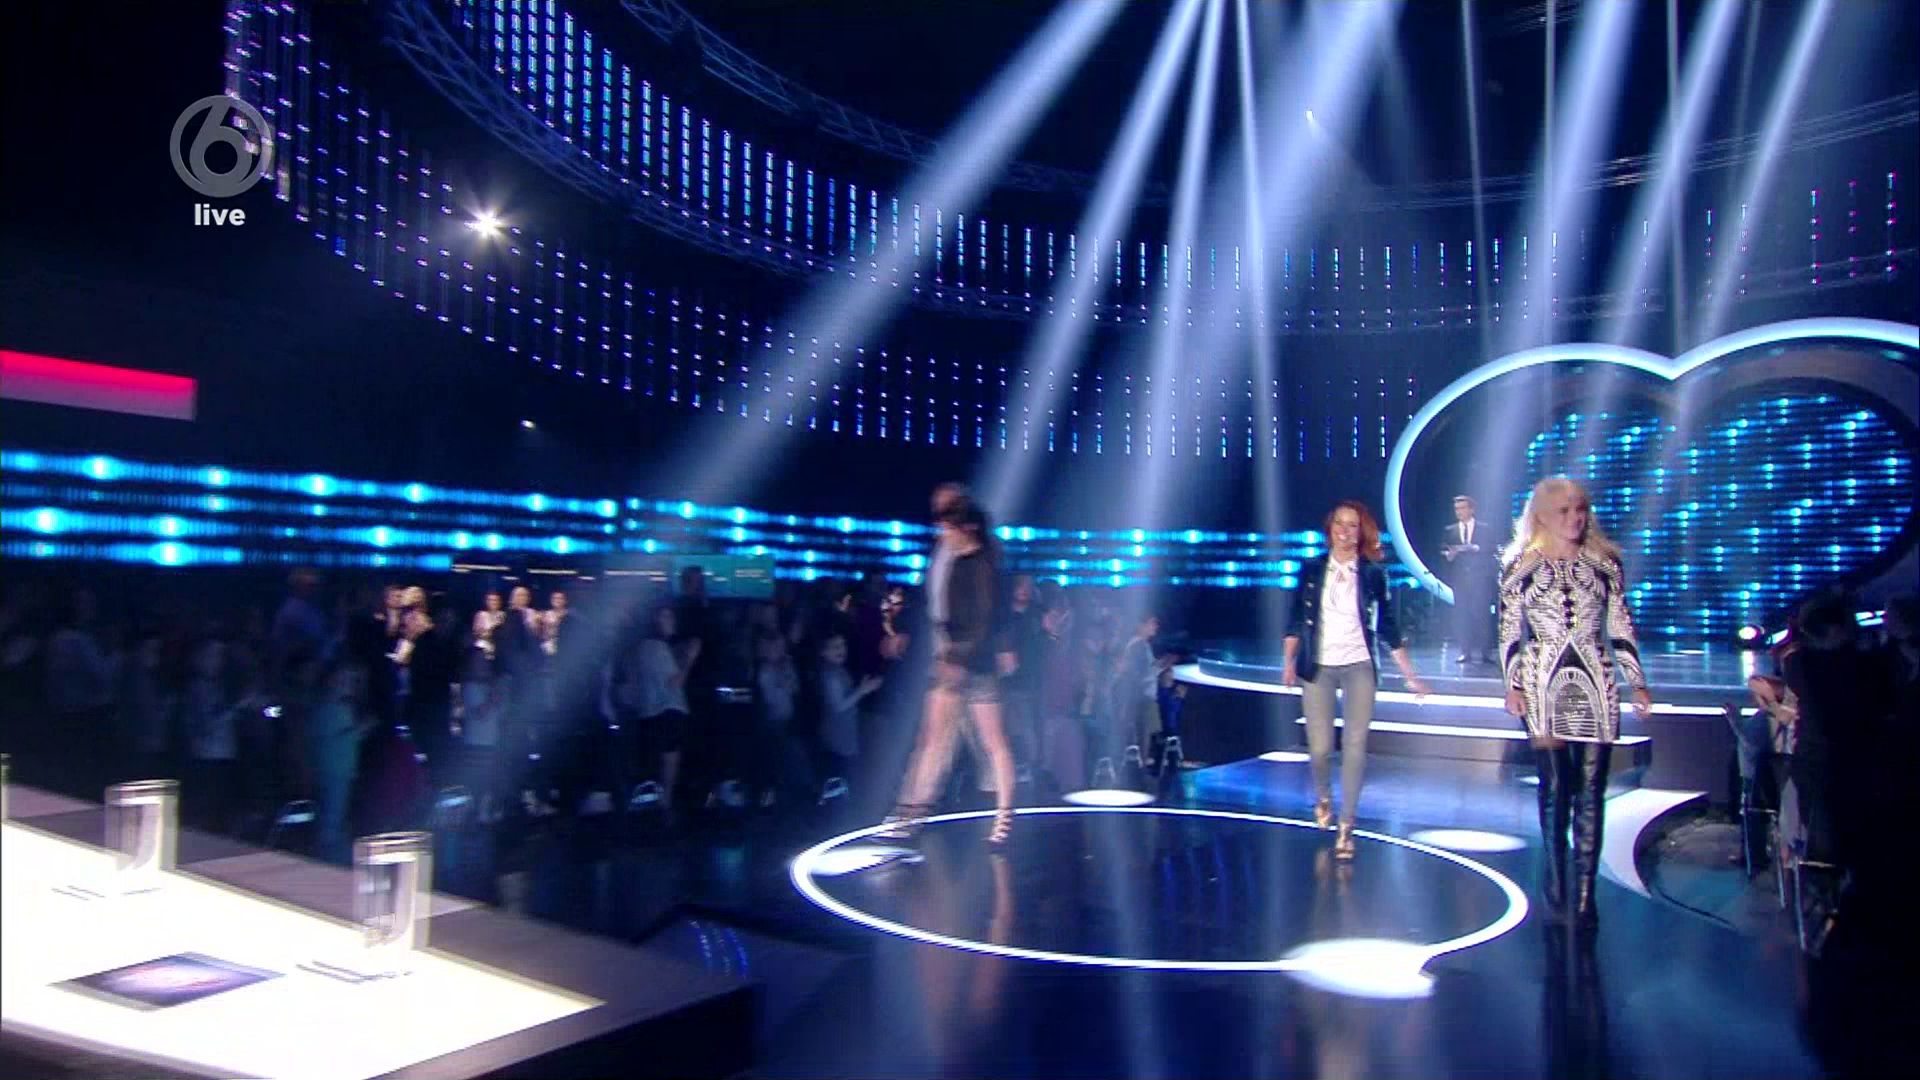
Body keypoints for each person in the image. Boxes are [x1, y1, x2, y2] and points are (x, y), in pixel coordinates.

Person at [1500, 477, 1653, 929]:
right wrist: (1512, 685)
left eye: (1580, 509)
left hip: (1596, 679)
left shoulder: (1604, 564)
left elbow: (1620, 623)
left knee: (1591, 788)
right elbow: (1509, 629)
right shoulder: (1521, 566)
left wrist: (1637, 682)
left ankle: (1585, 892)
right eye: (1564, 511)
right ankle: (1556, 879)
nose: (1575, 518)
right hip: (1541, 679)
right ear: (1542, 516)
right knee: (1556, 786)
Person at [1284, 500, 1432, 860]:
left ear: (1361, 531)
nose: (1345, 531)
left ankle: (1346, 825)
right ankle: (1323, 797)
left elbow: (1388, 626)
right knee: (1320, 748)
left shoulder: (1372, 574)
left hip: (1359, 666)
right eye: (1340, 523)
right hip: (1318, 666)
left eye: (1352, 525)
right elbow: (1295, 618)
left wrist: (1410, 676)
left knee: (1354, 746)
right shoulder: (1311, 569)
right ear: (1330, 528)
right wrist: (1288, 661)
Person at [880, 486, 1019, 846]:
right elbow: (937, 611)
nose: (940, 531)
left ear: (963, 526)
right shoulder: (950, 559)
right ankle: (909, 815)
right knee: (931, 740)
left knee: (994, 743)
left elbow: (984, 621)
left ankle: (1004, 817)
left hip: (976, 665)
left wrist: (962, 657)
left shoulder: (984, 563)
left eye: (945, 524)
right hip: (950, 664)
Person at [1439, 495, 1499, 665]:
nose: (1459, 512)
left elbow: (1492, 548)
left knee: (1482, 614)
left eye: (1462, 508)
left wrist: (1475, 548)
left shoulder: (1484, 529)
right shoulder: (1450, 530)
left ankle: (1486, 652)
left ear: (1472, 509)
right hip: (1460, 580)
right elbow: (1443, 551)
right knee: (1462, 615)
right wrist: (1449, 555)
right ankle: (1465, 652)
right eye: (1457, 509)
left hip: (1480, 579)